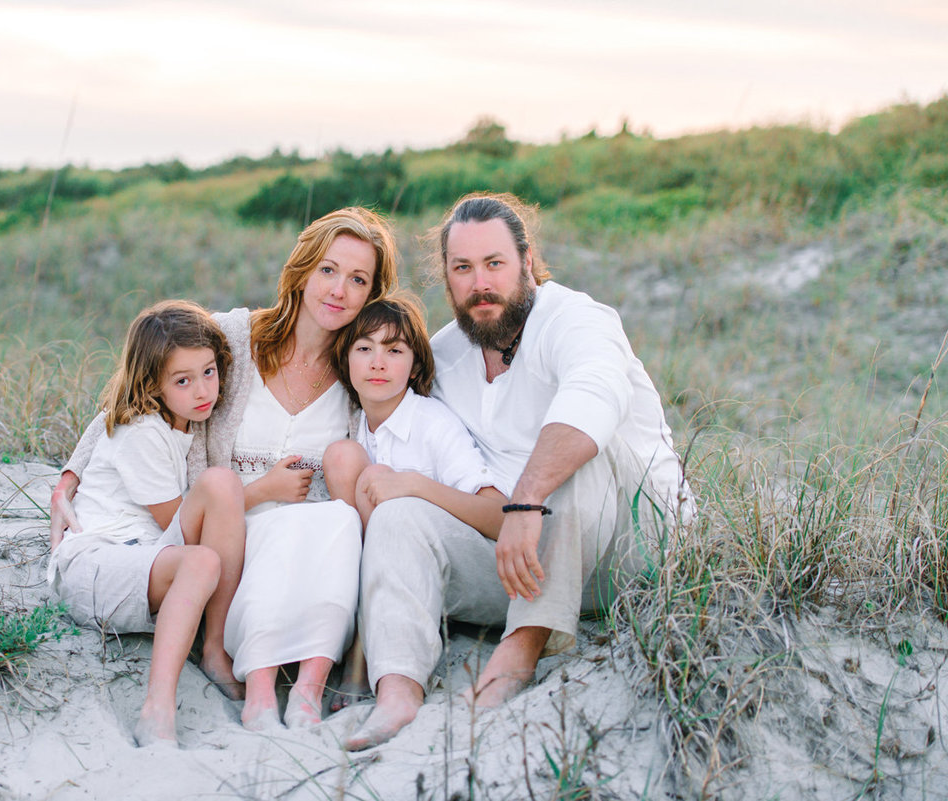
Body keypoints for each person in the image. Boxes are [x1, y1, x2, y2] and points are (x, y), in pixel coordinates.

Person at [345, 193, 693, 751]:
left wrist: (528, 499)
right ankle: (399, 689)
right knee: (401, 514)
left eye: (494, 263)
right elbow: (382, 398)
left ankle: (520, 649)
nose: (480, 282)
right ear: (448, 277)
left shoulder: (575, 319)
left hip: (630, 551)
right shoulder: (447, 355)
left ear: (527, 263)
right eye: (463, 268)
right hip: (519, 563)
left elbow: (594, 397)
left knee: (576, 451)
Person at [51, 207, 399, 732]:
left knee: (335, 528)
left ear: (372, 293)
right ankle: (249, 678)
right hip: (228, 535)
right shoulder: (236, 337)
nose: (339, 290)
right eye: (328, 270)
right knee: (274, 542)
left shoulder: (363, 366)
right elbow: (143, 390)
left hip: (310, 540)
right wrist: (69, 477)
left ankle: (314, 681)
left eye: (358, 279)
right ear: (302, 270)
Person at [47, 300, 246, 746]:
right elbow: (179, 521)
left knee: (212, 521)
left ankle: (214, 650)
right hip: (93, 564)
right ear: (152, 383)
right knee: (206, 544)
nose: (203, 390)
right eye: (183, 380)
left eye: (209, 372)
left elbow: (104, 419)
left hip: (137, 559)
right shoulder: (142, 432)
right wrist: (262, 491)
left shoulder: (183, 423)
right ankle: (157, 708)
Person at [321, 292, 507, 709]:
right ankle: (356, 634)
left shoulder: (433, 423)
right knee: (342, 457)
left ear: (415, 364)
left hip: (471, 573)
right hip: (393, 575)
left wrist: (416, 486)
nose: (377, 362)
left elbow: (499, 519)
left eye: (394, 350)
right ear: (345, 360)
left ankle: (366, 652)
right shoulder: (353, 424)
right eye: (364, 349)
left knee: (376, 478)